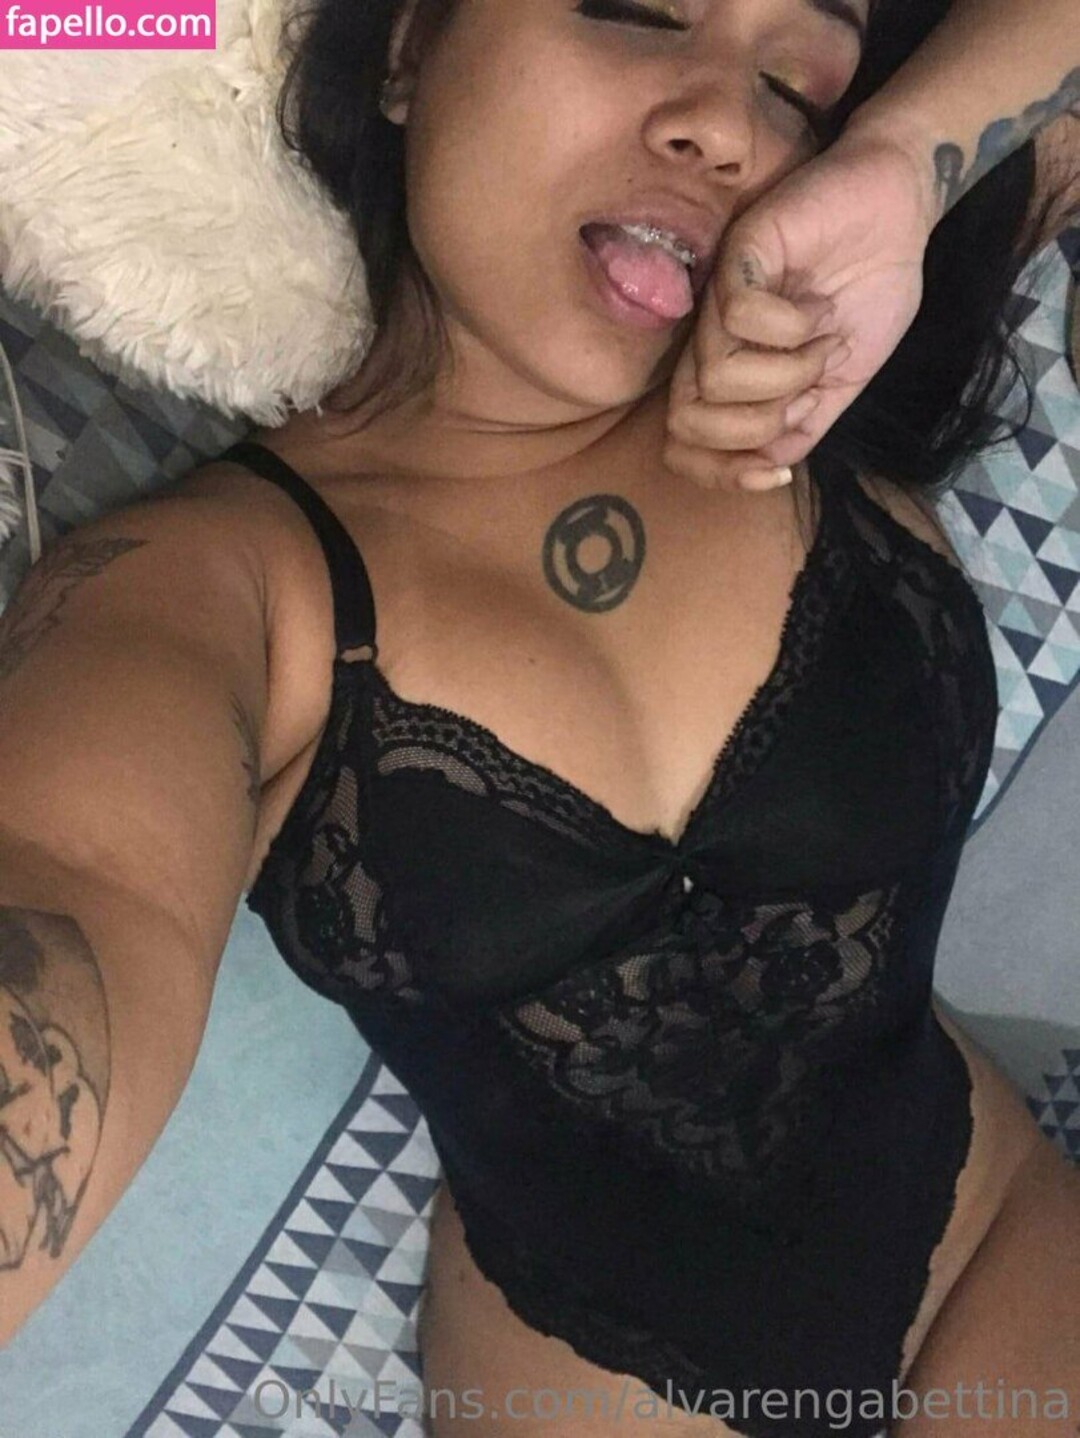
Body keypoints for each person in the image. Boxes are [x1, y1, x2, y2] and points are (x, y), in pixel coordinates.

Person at [0, 2, 1078, 1436]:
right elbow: (72, 879)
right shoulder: (218, 591)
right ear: (405, 48)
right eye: (634, 9)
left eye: (794, 84)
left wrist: (903, 155)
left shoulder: (842, 349)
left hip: (996, 1246)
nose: (728, 124)